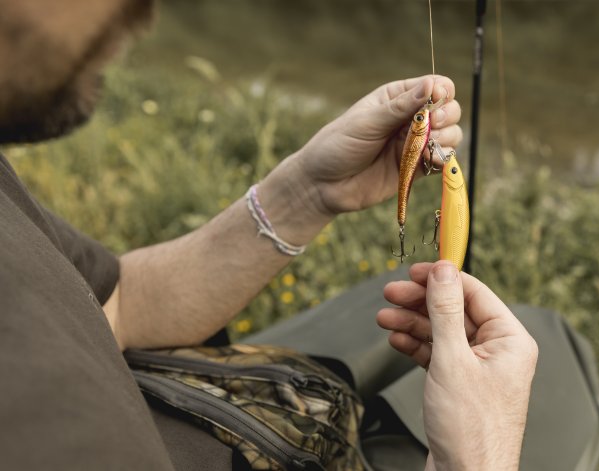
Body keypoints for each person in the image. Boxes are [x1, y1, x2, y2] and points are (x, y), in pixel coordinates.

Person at [0, 0, 543, 469]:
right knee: (547, 341)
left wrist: (306, 193)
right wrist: (480, 457)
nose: (145, 14)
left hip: (270, 417)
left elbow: (116, 305)